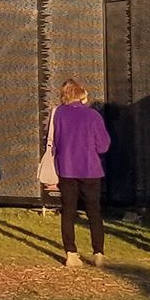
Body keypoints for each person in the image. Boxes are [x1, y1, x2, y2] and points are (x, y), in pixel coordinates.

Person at [51, 79, 110, 267]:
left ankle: (71, 253)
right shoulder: (93, 115)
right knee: (93, 211)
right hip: (90, 169)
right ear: (83, 96)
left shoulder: (59, 113)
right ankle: (98, 252)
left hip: (66, 168)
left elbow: (55, 140)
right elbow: (103, 145)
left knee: (68, 211)